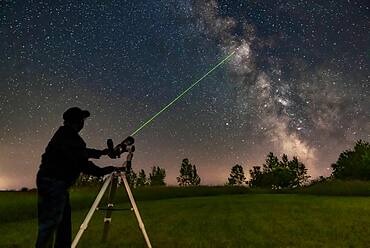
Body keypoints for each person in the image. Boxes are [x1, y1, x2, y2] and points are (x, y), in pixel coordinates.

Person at [36, 107, 121, 248]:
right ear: (78, 121)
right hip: (54, 184)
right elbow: (82, 162)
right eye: (82, 119)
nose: (83, 123)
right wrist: (105, 170)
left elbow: (80, 152)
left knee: (61, 224)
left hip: (52, 184)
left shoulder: (64, 135)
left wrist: (101, 153)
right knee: (50, 225)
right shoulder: (70, 137)